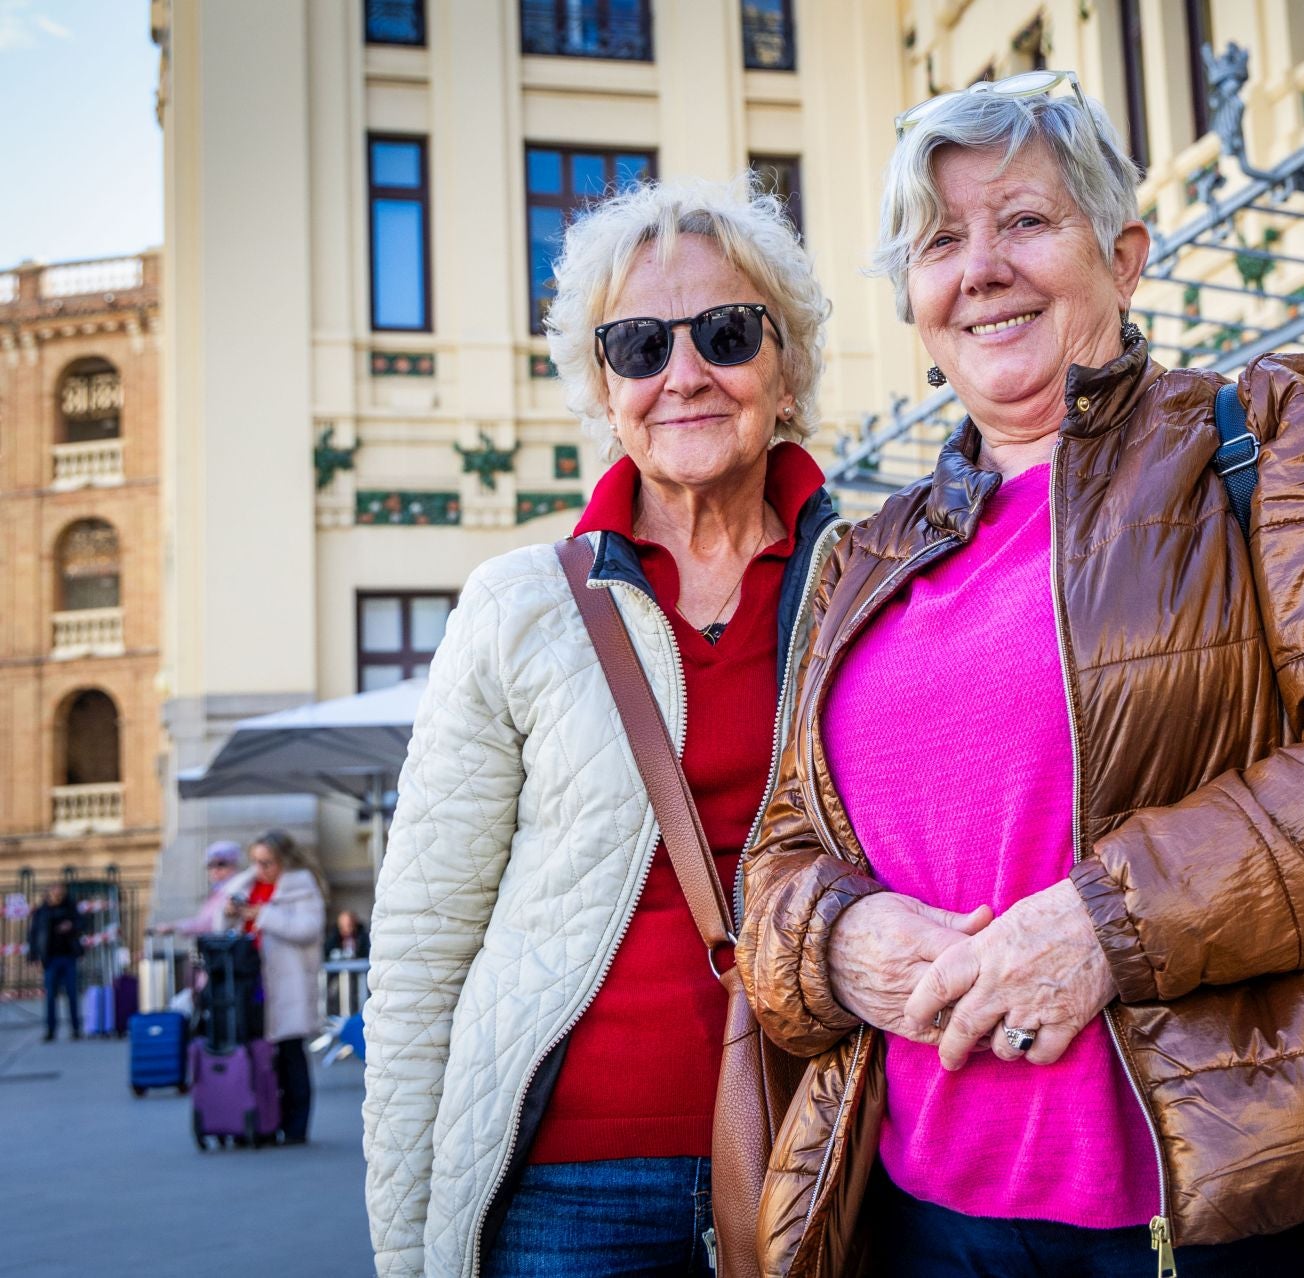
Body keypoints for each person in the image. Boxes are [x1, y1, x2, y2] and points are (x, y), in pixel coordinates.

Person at [738, 73, 1304, 1276]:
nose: (981, 266)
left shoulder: (1260, 432)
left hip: (1235, 1203)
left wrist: (1107, 923)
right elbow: (777, 855)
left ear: (1124, 254)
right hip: (924, 1217)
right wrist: (833, 939)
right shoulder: (862, 561)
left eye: (1026, 221)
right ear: (916, 302)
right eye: (940, 241)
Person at [363, 177, 845, 1278]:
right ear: (602, 383)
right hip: (567, 1186)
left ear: (787, 361)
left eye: (725, 332)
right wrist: (405, 1241)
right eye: (637, 345)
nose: (682, 374)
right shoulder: (515, 605)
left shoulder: (875, 577)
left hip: (827, 1140)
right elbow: (424, 942)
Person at [232, 829, 324, 1146]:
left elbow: (309, 929)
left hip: (288, 985)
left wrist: (264, 915)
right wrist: (233, 913)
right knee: (259, 1059)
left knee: (290, 1056)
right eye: (256, 861)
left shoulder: (301, 886)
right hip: (253, 983)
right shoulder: (247, 884)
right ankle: (265, 1122)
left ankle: (296, 1127)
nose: (261, 868)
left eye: (267, 862)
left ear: (283, 860)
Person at [154, 841, 254, 936]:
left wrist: (177, 927)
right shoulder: (219, 890)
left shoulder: (239, 887)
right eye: (210, 865)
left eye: (221, 864)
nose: (215, 870)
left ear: (234, 864)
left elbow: (210, 923)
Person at [28, 882, 83, 1042]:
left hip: (68, 957)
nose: (58, 895)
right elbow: (33, 935)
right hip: (49, 959)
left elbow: (82, 924)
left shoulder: (70, 908)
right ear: (49, 893)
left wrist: (71, 926)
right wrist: (34, 956)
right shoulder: (42, 911)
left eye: (60, 892)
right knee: (50, 996)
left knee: (72, 995)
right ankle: (51, 1030)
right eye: (55, 892)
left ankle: (75, 1029)